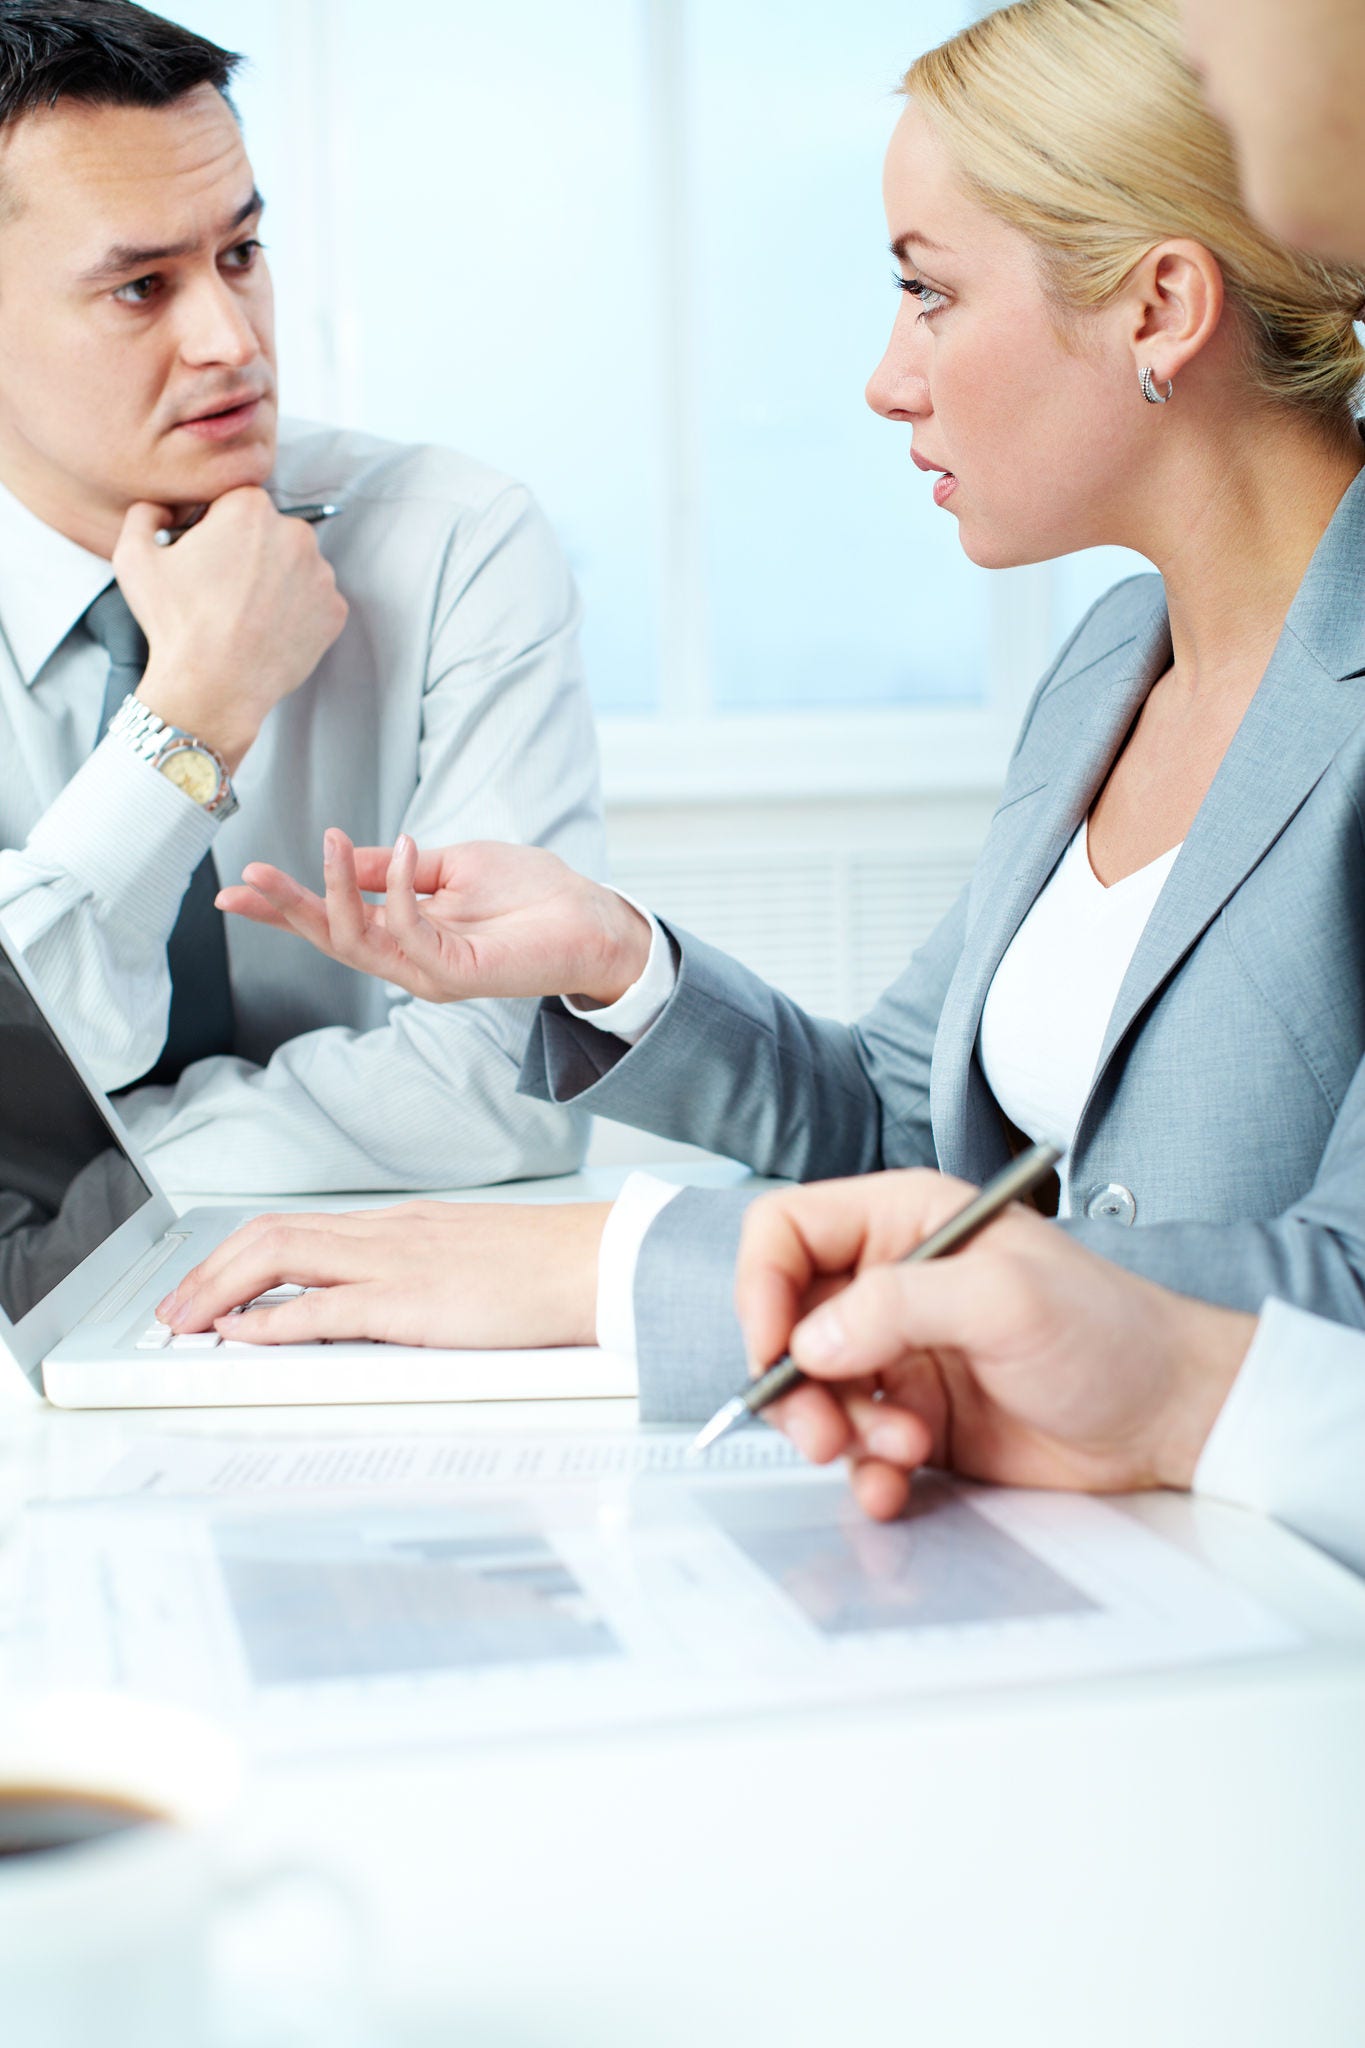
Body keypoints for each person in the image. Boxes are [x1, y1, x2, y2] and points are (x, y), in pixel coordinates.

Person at [161, 0, 1365, 1540]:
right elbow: (911, 1134)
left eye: (928, 295)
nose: (885, 377)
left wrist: (617, 1273)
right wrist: (615, 957)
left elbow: (1339, 1286)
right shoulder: (1113, 665)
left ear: (1160, 308)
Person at [0, 0, 603, 1197]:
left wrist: (69, 1183)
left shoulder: (454, 543)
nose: (231, 340)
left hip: (388, 1306)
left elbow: (508, 1086)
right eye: (140, 288)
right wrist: (196, 715)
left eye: (239, 254)